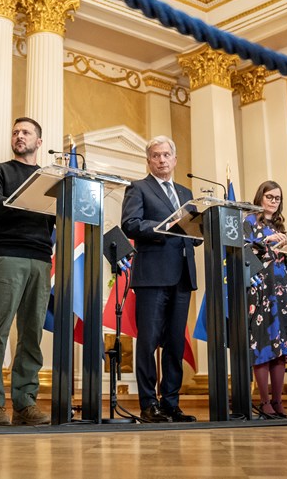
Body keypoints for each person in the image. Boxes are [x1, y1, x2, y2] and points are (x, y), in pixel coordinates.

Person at [0, 117, 55, 426]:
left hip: (41, 258)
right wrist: (24, 201)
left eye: (26, 133)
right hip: (8, 255)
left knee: (32, 334)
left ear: (38, 142)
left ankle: (24, 402)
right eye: (15, 132)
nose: (19, 136)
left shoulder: (49, 178)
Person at [120, 135, 198, 423]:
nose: (162, 159)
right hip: (152, 275)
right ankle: (148, 403)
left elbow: (193, 234)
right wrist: (166, 226)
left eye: (166, 154)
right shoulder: (138, 188)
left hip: (182, 275)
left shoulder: (186, 193)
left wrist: (199, 229)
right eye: (156, 155)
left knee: (175, 344)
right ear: (149, 160)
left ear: (175, 159)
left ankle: (170, 403)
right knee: (149, 342)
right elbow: (130, 223)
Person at [245, 180, 287, 419]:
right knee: (263, 343)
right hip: (259, 287)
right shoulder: (248, 221)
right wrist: (265, 243)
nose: (273, 201)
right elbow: (242, 251)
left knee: (281, 346)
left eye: (277, 198)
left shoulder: (280, 225)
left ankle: (278, 402)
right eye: (269, 196)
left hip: (280, 289)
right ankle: (264, 402)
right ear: (260, 197)